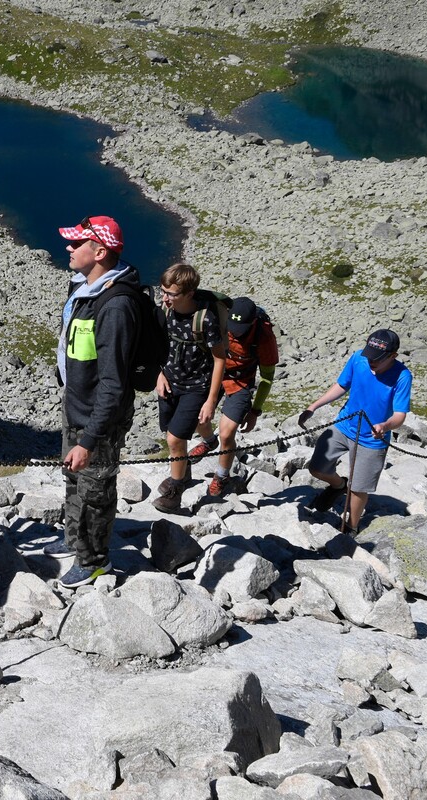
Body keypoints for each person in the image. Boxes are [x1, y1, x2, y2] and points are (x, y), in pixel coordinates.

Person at [41, 215, 139, 587]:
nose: (68, 248)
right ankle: (72, 539)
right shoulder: (85, 288)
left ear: (99, 251)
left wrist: (90, 440)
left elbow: (113, 385)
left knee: (96, 489)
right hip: (77, 405)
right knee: (73, 478)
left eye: (76, 243)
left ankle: (95, 559)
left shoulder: (114, 306)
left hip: (99, 417)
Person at [300, 329, 411, 532]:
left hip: (372, 438)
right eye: (369, 355)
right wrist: (314, 406)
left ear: (393, 356)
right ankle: (338, 486)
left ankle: (351, 527)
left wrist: (384, 426)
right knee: (317, 468)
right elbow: (342, 385)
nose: (371, 361)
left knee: (359, 488)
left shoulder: (402, 376)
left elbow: (399, 415)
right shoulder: (358, 358)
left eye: (377, 358)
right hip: (344, 424)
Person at [153, 263, 227, 514]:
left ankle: (175, 491)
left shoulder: (205, 319)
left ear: (189, 293)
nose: (165, 297)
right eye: (163, 291)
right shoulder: (164, 310)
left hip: (197, 387)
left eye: (172, 293)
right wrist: (158, 374)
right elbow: (160, 345)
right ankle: (183, 474)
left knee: (174, 438)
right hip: (170, 382)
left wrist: (210, 400)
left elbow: (219, 359)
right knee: (173, 434)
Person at [187, 297, 279, 497]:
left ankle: (221, 476)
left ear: (253, 322)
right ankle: (209, 441)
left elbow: (267, 377)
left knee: (227, 434)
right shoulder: (219, 320)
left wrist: (255, 411)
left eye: (240, 328)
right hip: (213, 374)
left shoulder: (264, 337)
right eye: (232, 326)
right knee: (194, 416)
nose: (234, 332)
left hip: (241, 381)